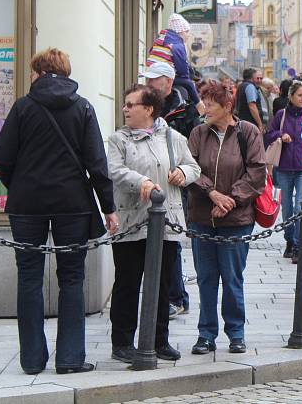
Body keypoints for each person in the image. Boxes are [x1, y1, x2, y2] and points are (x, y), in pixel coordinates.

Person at [0, 48, 118, 376]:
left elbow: (2, 156)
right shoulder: (83, 107)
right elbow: (97, 163)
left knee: (29, 278)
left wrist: (19, 184)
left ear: (39, 72)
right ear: (65, 72)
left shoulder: (23, 107)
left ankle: (32, 360)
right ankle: (70, 358)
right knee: (72, 279)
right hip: (72, 204)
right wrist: (109, 208)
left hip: (27, 204)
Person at [107, 84, 200, 364]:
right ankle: (122, 342)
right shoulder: (118, 140)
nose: (125, 109)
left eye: (130, 104)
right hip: (132, 220)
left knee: (160, 284)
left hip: (166, 223)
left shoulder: (171, 137)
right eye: (124, 104)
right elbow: (114, 170)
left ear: (148, 109)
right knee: (127, 283)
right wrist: (142, 182)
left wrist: (183, 173)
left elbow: (193, 166)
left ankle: (160, 340)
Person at [187, 81, 266, 355]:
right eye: (204, 102)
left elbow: (257, 172)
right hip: (203, 217)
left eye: (210, 103)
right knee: (206, 278)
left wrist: (230, 199)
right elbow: (191, 168)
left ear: (227, 106)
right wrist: (212, 194)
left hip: (237, 220)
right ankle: (206, 334)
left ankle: (236, 333)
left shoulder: (248, 132)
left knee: (232, 279)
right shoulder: (198, 133)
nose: (205, 108)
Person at [142, 62, 203, 319]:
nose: (149, 84)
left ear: (167, 82)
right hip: (150, 182)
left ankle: (176, 297)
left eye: (153, 80)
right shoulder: (146, 107)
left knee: (171, 240)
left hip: (175, 182)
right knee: (159, 241)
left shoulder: (184, 110)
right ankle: (170, 295)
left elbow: (194, 150)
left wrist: (182, 171)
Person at [265, 81, 302, 263]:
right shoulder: (281, 115)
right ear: (291, 96)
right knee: (286, 207)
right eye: (300, 95)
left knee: (299, 206)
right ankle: (289, 241)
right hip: (284, 167)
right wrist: (280, 135)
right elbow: (268, 134)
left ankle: (298, 245)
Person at [147, 13, 203, 112]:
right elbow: (182, 66)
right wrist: (186, 77)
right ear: (180, 31)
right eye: (187, 32)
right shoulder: (177, 44)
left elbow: (151, 52)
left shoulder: (160, 39)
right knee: (189, 84)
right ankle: (199, 105)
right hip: (163, 75)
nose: (188, 35)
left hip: (152, 73)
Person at [235, 67, 266, 132]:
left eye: (261, 78)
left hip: (243, 122)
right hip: (251, 124)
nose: (259, 80)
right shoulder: (250, 87)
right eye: (257, 77)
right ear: (252, 77)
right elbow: (252, 106)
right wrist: (260, 124)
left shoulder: (241, 86)